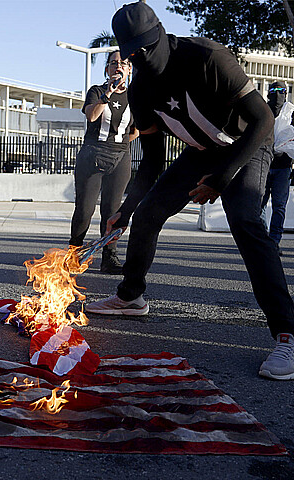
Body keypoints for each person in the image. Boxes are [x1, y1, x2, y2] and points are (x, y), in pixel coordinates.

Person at [86, 2, 294, 380]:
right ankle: (131, 297)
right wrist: (128, 209)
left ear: (161, 35)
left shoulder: (208, 57)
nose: (143, 58)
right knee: (150, 212)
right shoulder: (141, 91)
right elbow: (151, 163)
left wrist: (223, 177)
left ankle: (287, 332)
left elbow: (263, 118)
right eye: (134, 53)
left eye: (148, 48)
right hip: (201, 152)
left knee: (245, 220)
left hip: (246, 144)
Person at [69, 49, 138, 274]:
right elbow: (91, 115)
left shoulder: (135, 97)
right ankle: (74, 254)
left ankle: (109, 257)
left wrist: (119, 144)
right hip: (92, 157)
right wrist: (107, 94)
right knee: (85, 210)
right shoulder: (97, 91)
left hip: (120, 157)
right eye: (113, 63)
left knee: (112, 212)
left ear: (129, 69)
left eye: (123, 63)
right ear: (107, 69)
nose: (118, 66)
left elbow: (137, 130)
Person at [261, 81, 293, 256]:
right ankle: (263, 239)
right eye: (274, 91)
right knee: (260, 204)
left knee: (279, 206)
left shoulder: (291, 113)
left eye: (282, 91)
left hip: (283, 167)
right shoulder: (263, 111)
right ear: (269, 93)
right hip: (264, 165)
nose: (278, 94)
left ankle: (274, 241)